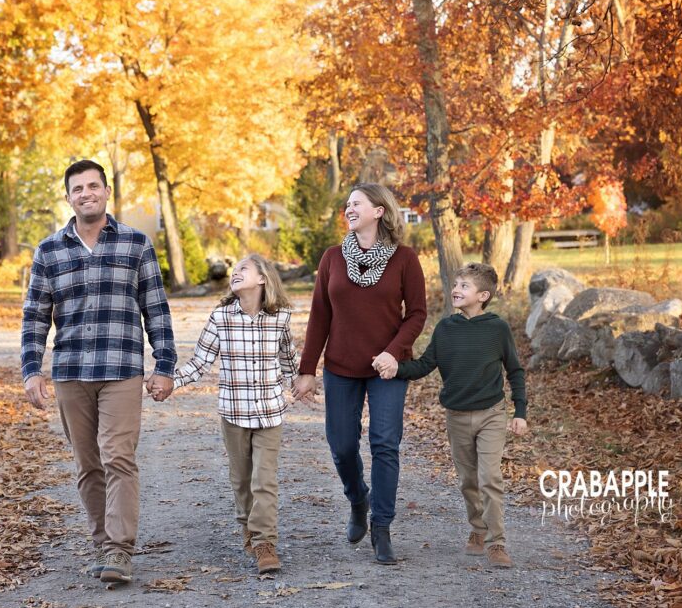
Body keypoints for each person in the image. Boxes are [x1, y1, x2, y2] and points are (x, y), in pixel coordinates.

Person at [21, 159, 177, 585]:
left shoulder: (135, 244)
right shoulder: (50, 251)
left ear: (107, 192)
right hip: (71, 371)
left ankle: (119, 550)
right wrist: (32, 369)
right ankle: (101, 542)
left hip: (121, 369)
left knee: (118, 458)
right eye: (78, 189)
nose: (86, 193)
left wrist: (164, 366)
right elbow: (35, 315)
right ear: (68, 197)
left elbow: (156, 310)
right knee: (88, 464)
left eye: (93, 186)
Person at [294, 183, 427, 564]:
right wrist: (307, 370)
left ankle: (382, 527)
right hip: (341, 366)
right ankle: (358, 499)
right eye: (347, 204)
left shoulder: (404, 259)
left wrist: (392, 352)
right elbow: (320, 315)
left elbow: (416, 313)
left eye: (356, 203)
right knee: (342, 446)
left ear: (379, 211)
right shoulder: (333, 258)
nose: (348, 209)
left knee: (385, 444)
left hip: (387, 369)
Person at [374, 262, 528, 568]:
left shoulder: (497, 329)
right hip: (456, 416)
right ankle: (478, 529)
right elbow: (425, 365)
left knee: (489, 477)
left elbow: (515, 370)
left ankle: (497, 543)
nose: (456, 290)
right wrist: (395, 367)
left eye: (464, 286)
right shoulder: (446, 329)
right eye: (456, 284)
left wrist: (520, 411)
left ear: (483, 295)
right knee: (468, 480)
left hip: (491, 414)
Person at [155, 254, 300, 575]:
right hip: (234, 412)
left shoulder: (281, 318)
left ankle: (264, 542)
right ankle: (248, 526)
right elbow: (199, 363)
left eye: (242, 270)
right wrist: (170, 382)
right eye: (233, 271)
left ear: (263, 279)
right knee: (241, 480)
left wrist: (303, 383)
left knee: (265, 480)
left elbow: (290, 361)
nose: (235, 274)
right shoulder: (221, 317)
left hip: (270, 410)